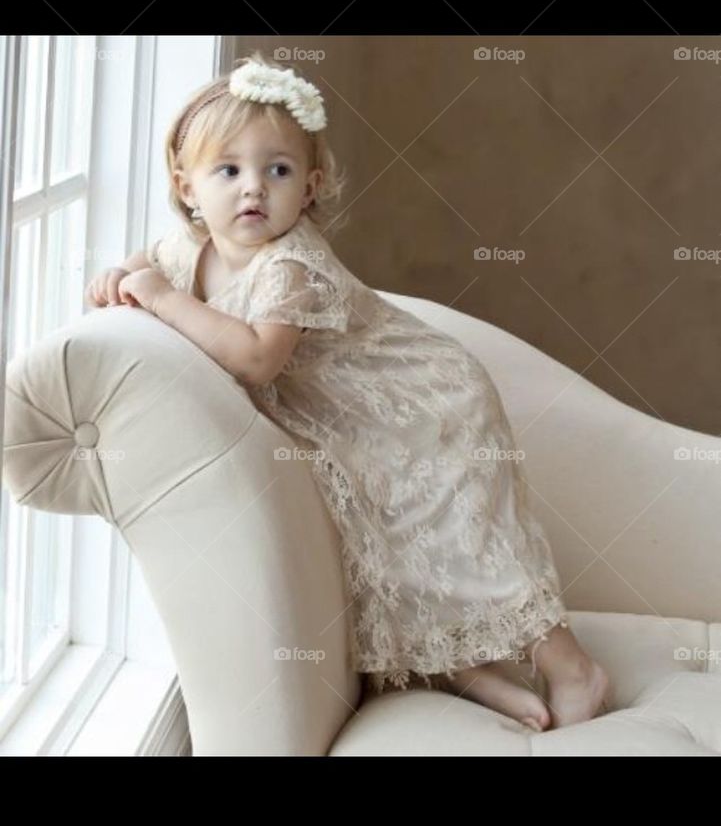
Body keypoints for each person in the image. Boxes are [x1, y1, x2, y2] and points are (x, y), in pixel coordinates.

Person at [84, 51, 612, 732]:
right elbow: (151, 259)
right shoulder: (191, 247)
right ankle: (461, 668)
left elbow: (255, 360)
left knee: (461, 545)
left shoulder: (291, 265)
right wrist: (122, 271)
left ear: (308, 187)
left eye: (276, 171)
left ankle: (572, 666)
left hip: (424, 405)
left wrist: (156, 298)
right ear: (187, 188)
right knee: (381, 542)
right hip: (350, 421)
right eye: (229, 171)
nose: (253, 189)